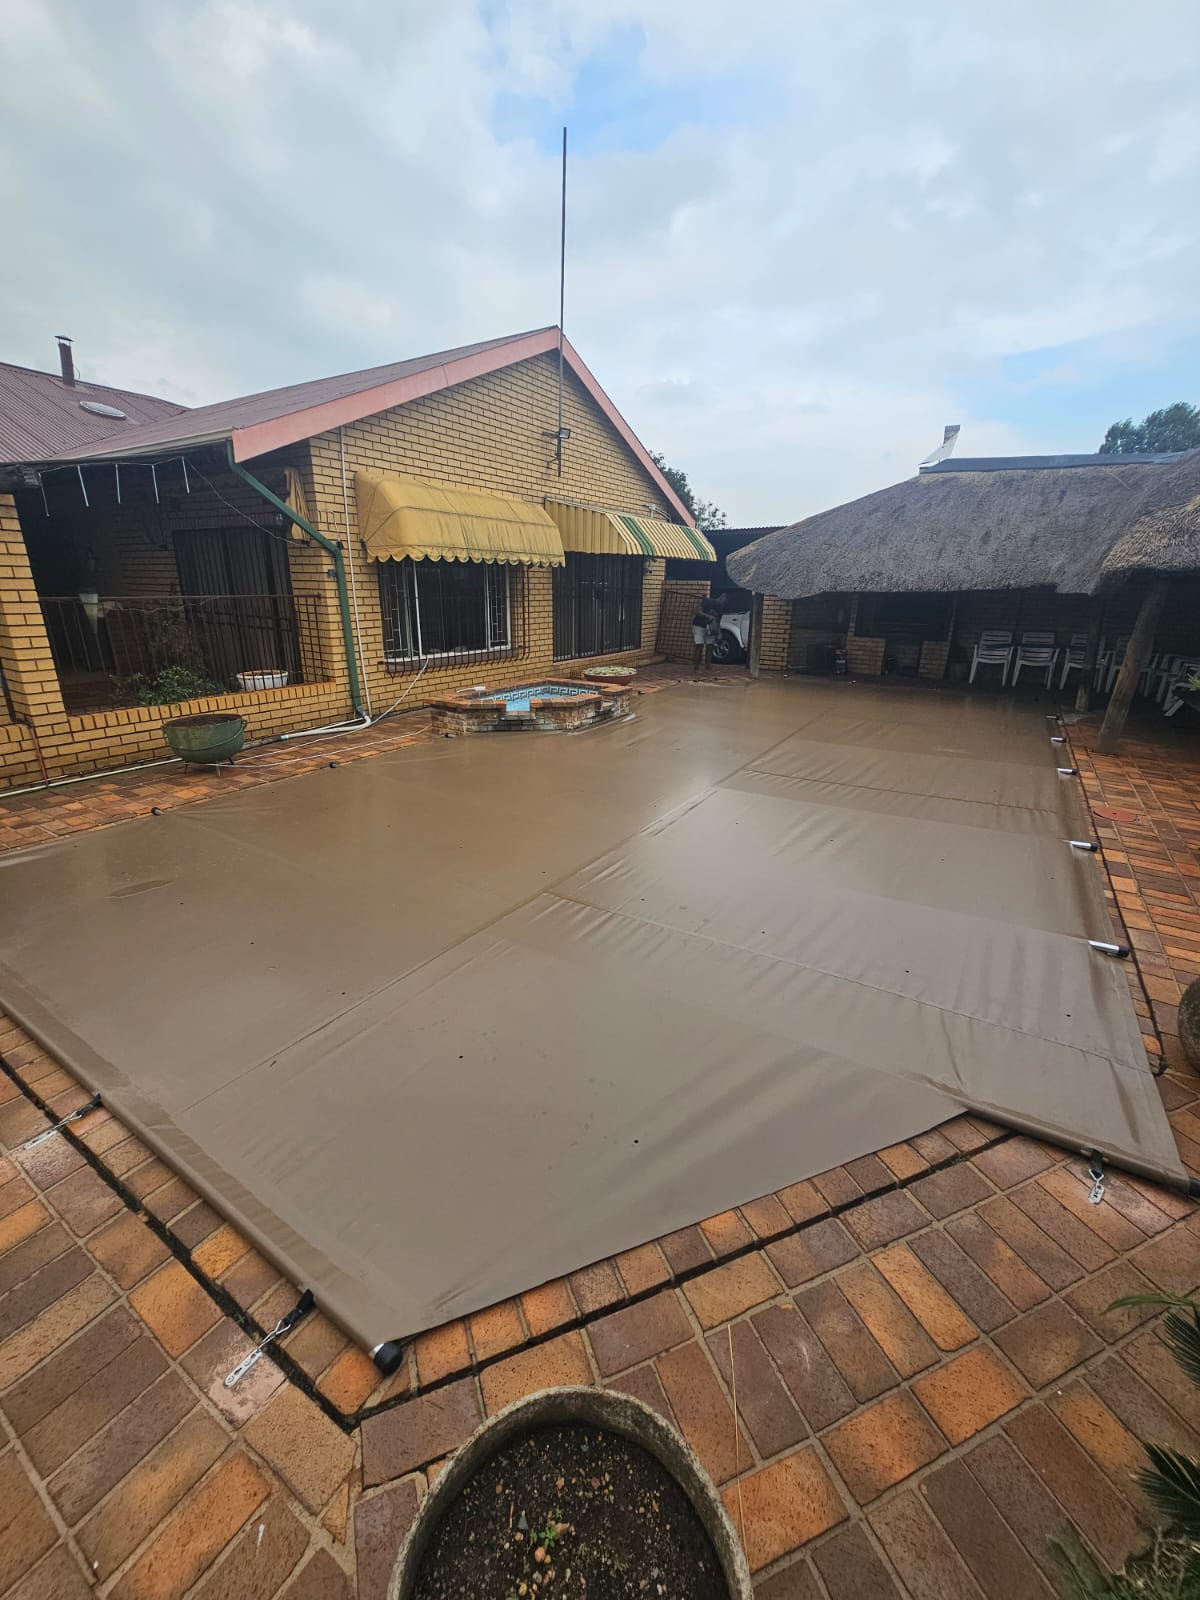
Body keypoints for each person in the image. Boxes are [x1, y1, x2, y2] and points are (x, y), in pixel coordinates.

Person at [691, 593, 725, 676]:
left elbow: (718, 621)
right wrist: (708, 617)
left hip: (711, 627)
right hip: (699, 625)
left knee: (710, 646)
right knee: (699, 645)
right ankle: (696, 668)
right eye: (722, 599)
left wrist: (719, 632)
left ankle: (708, 666)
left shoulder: (721, 609)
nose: (723, 602)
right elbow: (696, 611)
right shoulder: (709, 602)